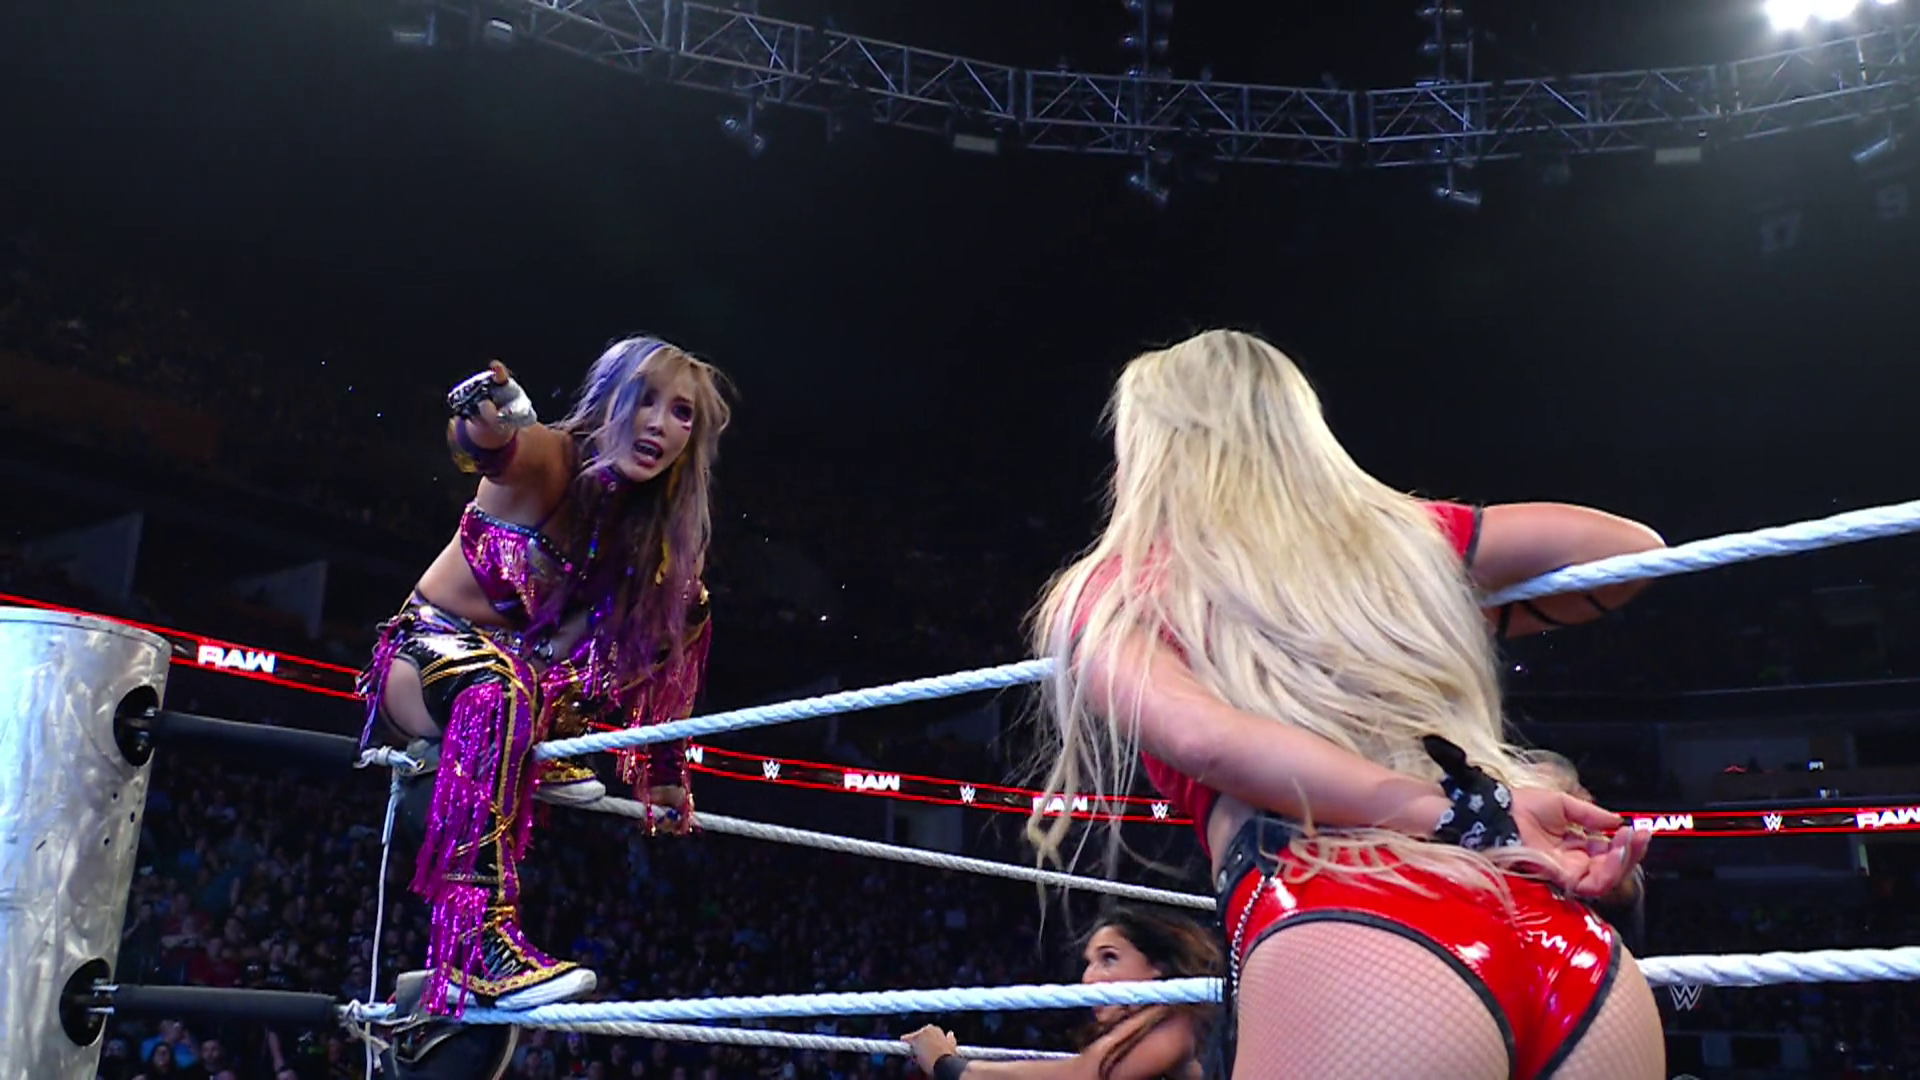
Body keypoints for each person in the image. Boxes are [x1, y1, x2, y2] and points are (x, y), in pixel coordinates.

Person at [1027, 329, 1667, 1079]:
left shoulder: (1122, 583)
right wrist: (1402, 597)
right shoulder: (1405, 546)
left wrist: (1455, 812)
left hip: (1354, 924)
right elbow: (1633, 550)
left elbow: (1204, 741)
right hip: (1566, 951)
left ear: (1149, 447)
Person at [358, 336, 731, 1015]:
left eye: (680, 412)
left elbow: (670, 645)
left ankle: (543, 736)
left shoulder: (662, 530)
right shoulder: (556, 457)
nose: (657, 424)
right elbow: (493, 452)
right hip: (428, 660)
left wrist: (664, 768)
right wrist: (487, 416)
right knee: (496, 688)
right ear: (609, 400)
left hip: (531, 684)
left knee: (682, 599)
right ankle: (472, 946)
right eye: (644, 400)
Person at [902, 906, 1220, 1080]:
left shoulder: (1182, 1018)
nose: (1089, 978)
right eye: (1089, 963)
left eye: (1109, 958)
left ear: (1157, 969)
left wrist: (948, 1065)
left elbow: (1078, 1075)